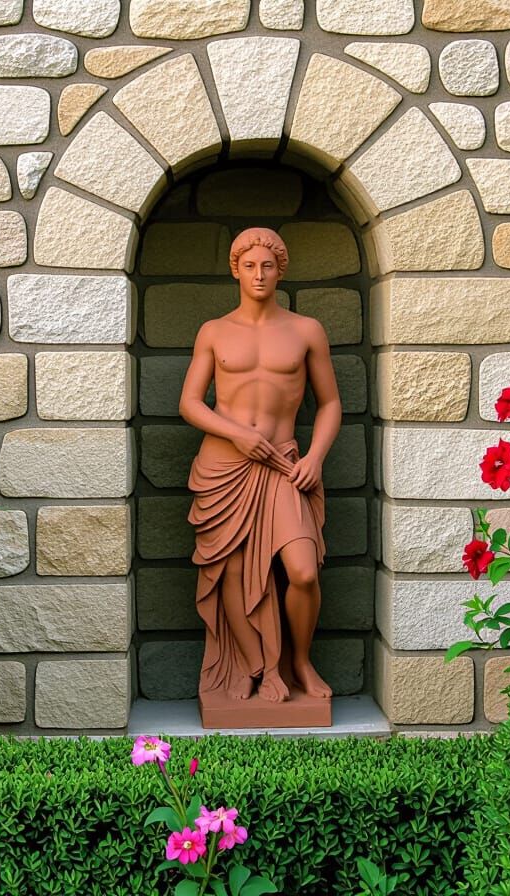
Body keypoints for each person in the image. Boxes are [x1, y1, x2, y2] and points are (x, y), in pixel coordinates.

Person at [179, 227, 341, 705]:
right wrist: (237, 433)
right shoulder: (214, 331)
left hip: (283, 464)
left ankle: (300, 662)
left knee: (303, 571)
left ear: (280, 271)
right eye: (249, 266)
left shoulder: (306, 330)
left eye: (267, 266)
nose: (259, 274)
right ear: (236, 270)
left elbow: (330, 403)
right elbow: (190, 403)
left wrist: (315, 457)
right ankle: (255, 667)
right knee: (229, 571)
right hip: (224, 466)